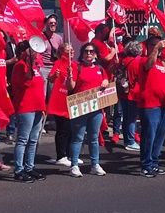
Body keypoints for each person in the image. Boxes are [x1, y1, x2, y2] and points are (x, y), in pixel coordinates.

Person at [67, 42, 111, 177]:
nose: (89, 54)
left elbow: (106, 81)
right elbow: (71, 87)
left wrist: (106, 82)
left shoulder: (100, 69)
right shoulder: (76, 67)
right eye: (86, 51)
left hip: (96, 108)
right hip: (80, 107)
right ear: (82, 54)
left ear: (96, 54)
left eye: (91, 51)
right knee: (78, 138)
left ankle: (95, 164)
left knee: (93, 137)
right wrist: (69, 77)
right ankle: (74, 165)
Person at [10, 41, 47, 182]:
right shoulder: (20, 66)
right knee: (23, 140)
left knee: (33, 140)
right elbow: (25, 82)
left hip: (37, 106)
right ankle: (19, 170)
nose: (34, 52)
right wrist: (28, 63)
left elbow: (39, 86)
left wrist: (43, 107)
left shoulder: (35, 66)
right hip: (26, 107)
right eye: (30, 50)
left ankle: (29, 167)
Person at [139, 36, 165, 176]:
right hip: (150, 106)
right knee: (149, 136)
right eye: (153, 44)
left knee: (160, 136)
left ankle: (154, 162)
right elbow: (148, 64)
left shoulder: (161, 63)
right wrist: (157, 48)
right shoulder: (144, 60)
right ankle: (146, 165)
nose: (158, 47)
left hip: (163, 106)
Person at [46, 42, 75, 167]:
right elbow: (51, 78)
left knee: (70, 129)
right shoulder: (59, 63)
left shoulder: (74, 64)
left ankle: (69, 155)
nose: (72, 52)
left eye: (72, 50)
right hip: (60, 100)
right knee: (62, 129)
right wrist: (55, 75)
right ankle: (61, 155)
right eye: (69, 50)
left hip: (71, 99)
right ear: (63, 52)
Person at [119, 41, 145, 152]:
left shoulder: (124, 61)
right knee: (131, 119)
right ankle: (130, 141)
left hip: (123, 92)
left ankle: (127, 139)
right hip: (133, 93)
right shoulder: (138, 62)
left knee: (126, 118)